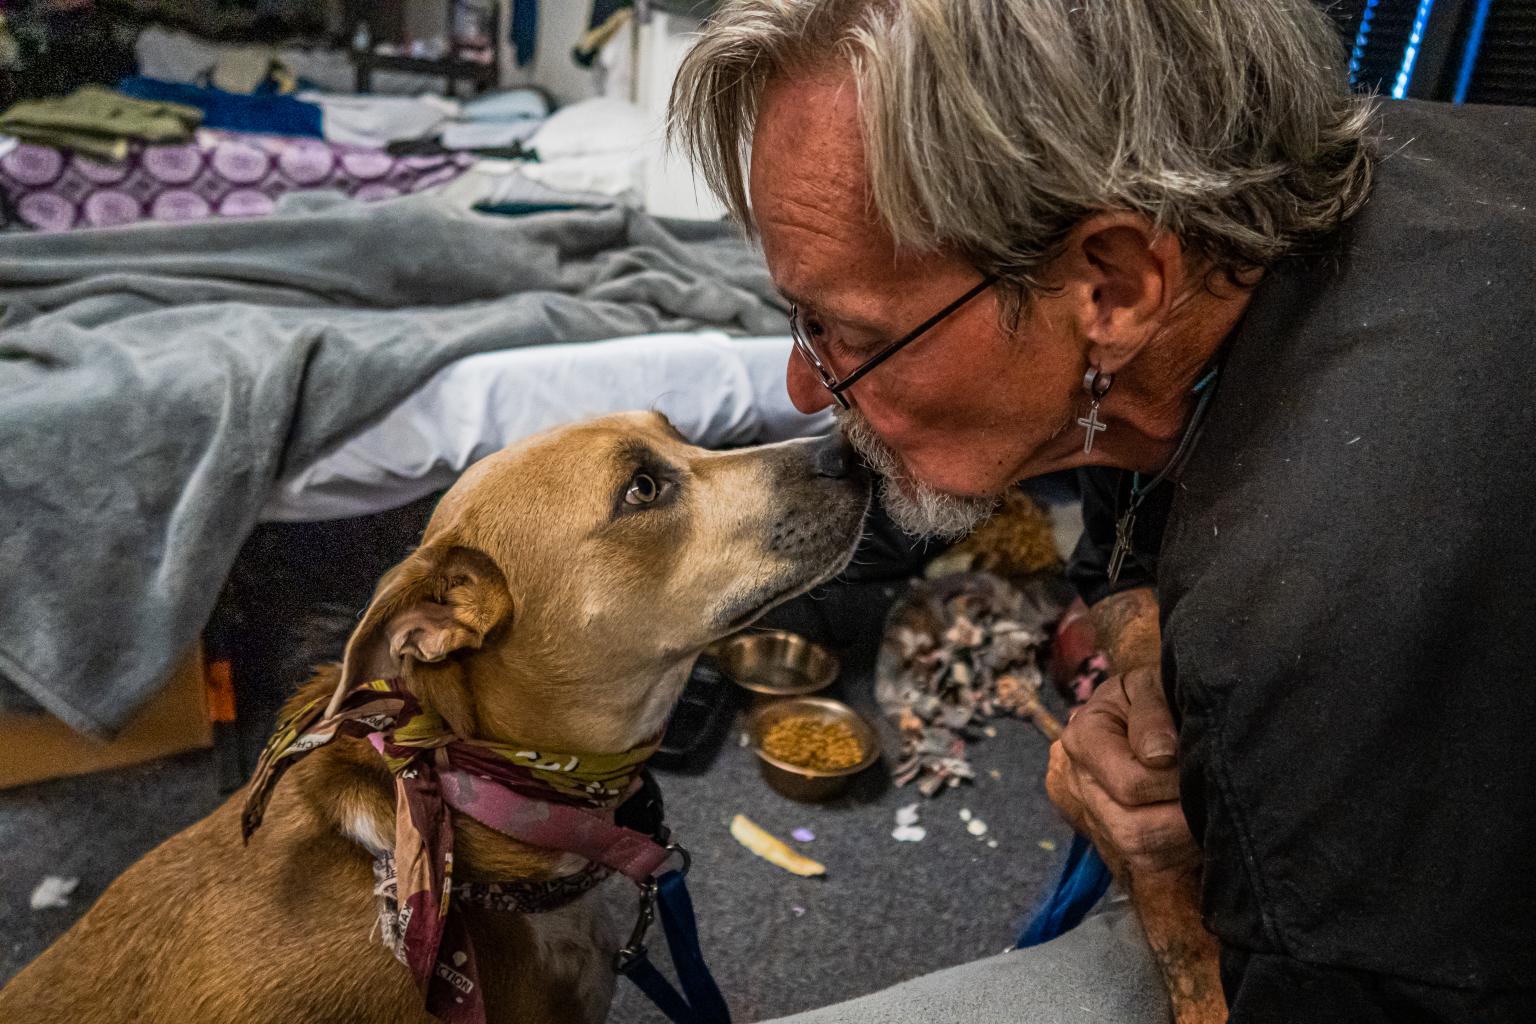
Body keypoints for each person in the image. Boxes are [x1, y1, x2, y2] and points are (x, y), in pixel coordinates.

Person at [669, 1, 1536, 1022]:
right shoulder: (1186, 310)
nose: (806, 385)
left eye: (845, 330)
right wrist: (1146, 683)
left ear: (1117, 288)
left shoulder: (1320, 621)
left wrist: (1167, 868)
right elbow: (1120, 538)